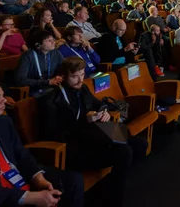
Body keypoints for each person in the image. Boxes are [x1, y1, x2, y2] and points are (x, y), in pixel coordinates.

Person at [0, 80, 84, 207]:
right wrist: (31, 197)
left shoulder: (3, 122)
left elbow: (21, 154)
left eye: (2, 95)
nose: (4, 101)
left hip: (19, 176)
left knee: (72, 181)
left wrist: (38, 179)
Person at [39, 58, 131, 207]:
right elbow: (56, 136)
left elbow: (99, 104)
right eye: (74, 76)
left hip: (90, 137)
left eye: (82, 74)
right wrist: (85, 120)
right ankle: (113, 199)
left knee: (132, 140)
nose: (80, 79)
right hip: (73, 149)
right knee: (124, 152)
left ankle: (109, 189)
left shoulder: (82, 88)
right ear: (62, 77)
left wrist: (103, 112)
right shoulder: (50, 101)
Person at [14, 30, 64, 96]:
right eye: (49, 40)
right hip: (35, 89)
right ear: (38, 45)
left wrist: (61, 76)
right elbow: (21, 80)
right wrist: (47, 82)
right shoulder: (27, 56)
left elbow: (64, 67)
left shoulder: (55, 52)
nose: (53, 42)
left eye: (53, 39)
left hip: (53, 86)